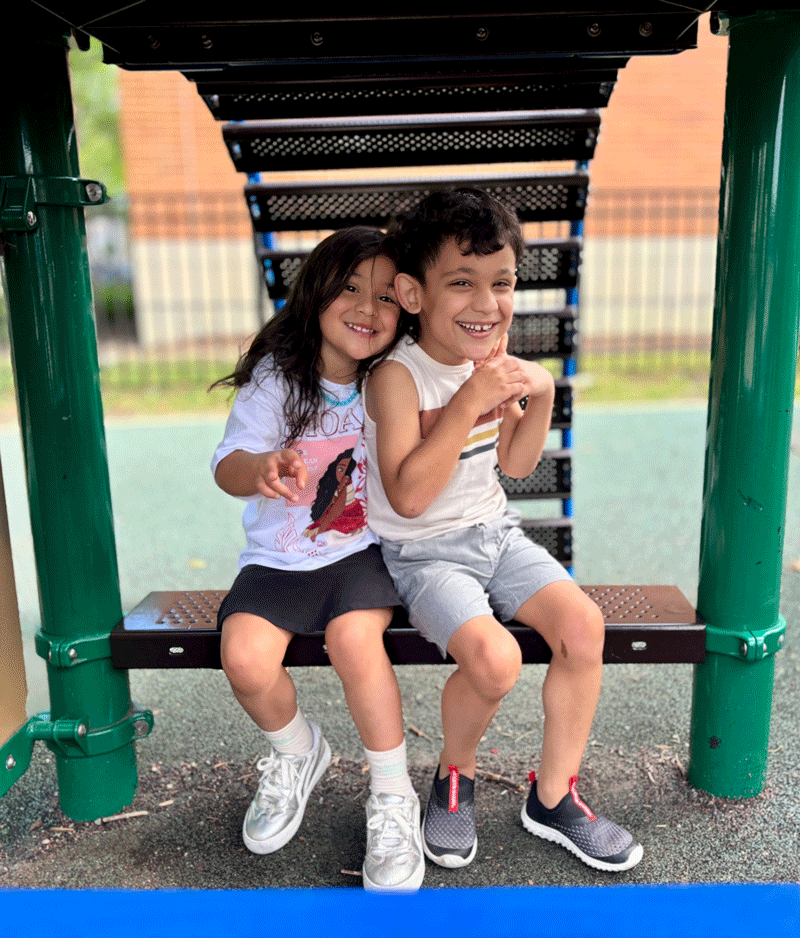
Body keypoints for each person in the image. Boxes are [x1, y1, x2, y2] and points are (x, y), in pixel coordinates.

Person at [364, 189, 643, 873]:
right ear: (412, 292)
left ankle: (554, 796)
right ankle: (452, 778)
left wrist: (539, 394)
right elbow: (406, 495)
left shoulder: (491, 366)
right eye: (462, 283)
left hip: (496, 535)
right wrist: (469, 399)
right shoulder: (397, 378)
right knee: (495, 662)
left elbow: (516, 465)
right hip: (423, 553)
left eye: (502, 283)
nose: (487, 304)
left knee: (583, 629)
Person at [210, 227, 424, 893]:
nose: (367, 307)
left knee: (353, 640)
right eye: (352, 288)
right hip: (277, 559)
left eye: (387, 296)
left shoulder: (391, 380)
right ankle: (298, 750)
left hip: (360, 552)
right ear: (317, 293)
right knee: (244, 658)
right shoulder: (277, 378)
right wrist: (262, 468)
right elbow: (227, 466)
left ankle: (393, 796)